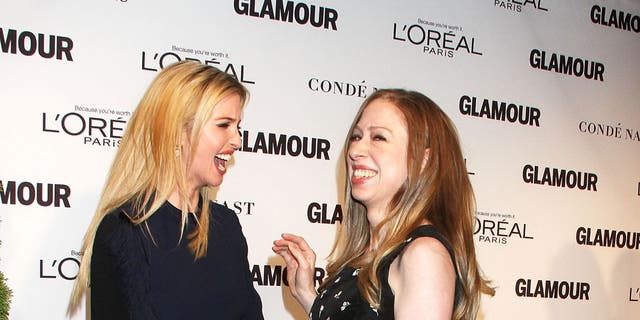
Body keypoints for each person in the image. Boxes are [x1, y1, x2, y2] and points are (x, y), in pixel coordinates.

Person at [273, 89, 494, 320]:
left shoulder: (423, 255)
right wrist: (306, 294)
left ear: (422, 161)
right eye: (356, 137)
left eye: (378, 137)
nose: (355, 150)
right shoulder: (369, 253)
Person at [67, 61, 263, 319]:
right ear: (177, 131)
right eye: (223, 125)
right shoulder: (125, 230)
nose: (237, 140)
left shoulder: (227, 226)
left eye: (238, 127)